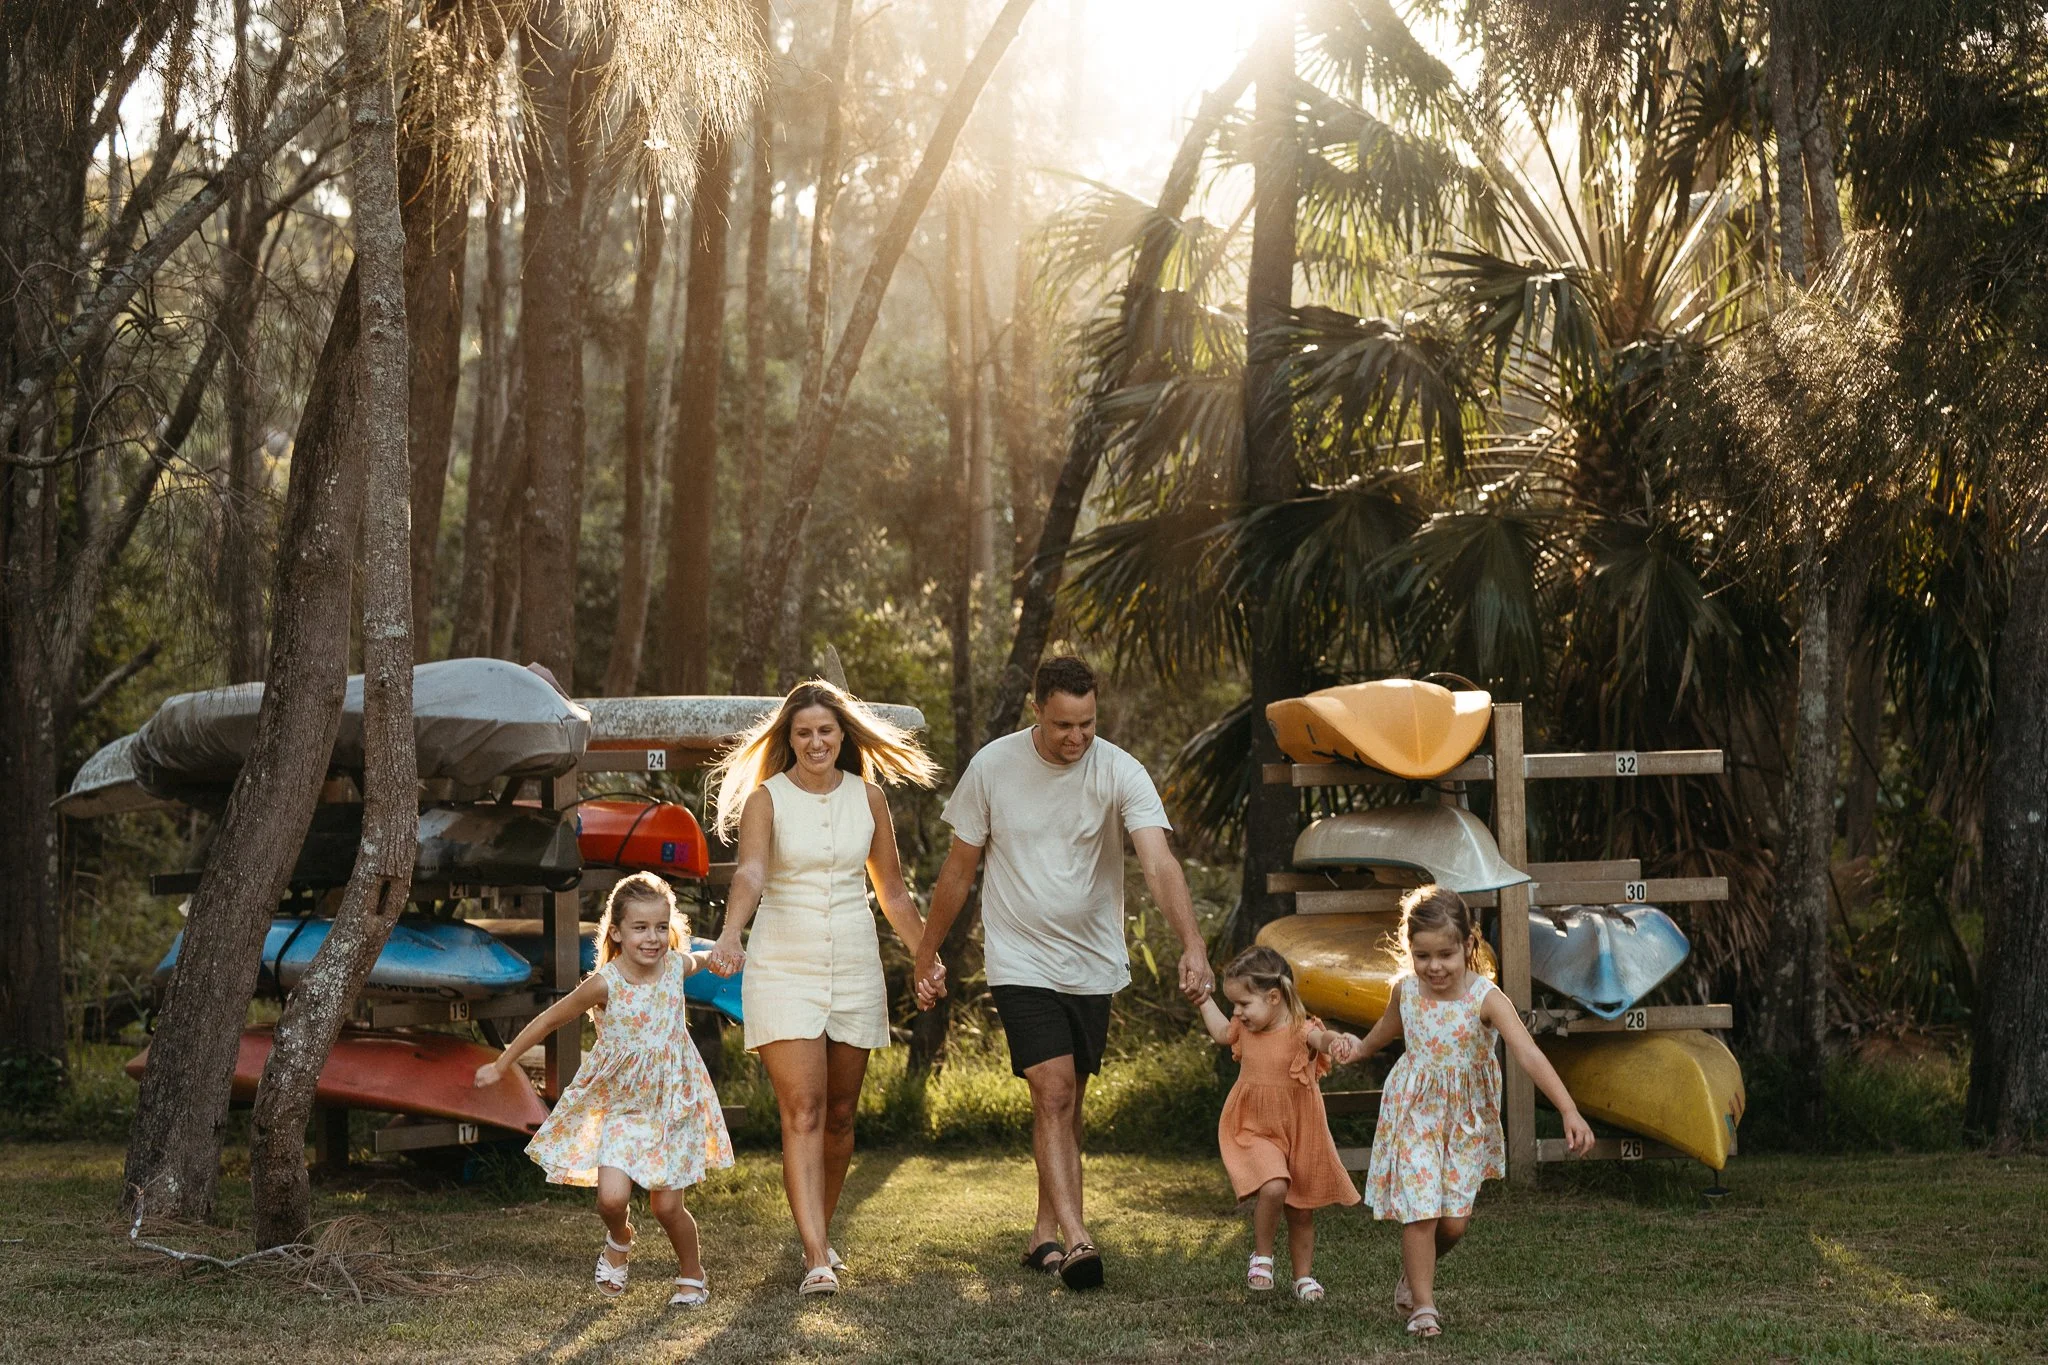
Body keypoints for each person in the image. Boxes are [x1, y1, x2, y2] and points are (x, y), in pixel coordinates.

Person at [915, 654, 1213, 1291]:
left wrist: (1193, 943)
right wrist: (927, 951)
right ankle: (1079, 1240)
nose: (1077, 737)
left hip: (1092, 960)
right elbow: (959, 870)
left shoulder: (1118, 769)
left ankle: (1043, 1232)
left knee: (1069, 1099)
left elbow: (1158, 863)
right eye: (1063, 726)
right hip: (1019, 956)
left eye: (1087, 723)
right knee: (1051, 1090)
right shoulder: (994, 767)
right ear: (1036, 709)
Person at [702, 680, 940, 1296]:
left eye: (826, 731)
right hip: (784, 963)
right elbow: (751, 871)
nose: (815, 741)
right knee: (803, 1111)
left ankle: (820, 1234)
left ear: (842, 737)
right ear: (789, 739)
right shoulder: (767, 800)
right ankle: (815, 1257)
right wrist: (730, 935)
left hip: (855, 965)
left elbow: (890, 890)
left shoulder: (870, 799)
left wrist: (926, 956)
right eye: (803, 732)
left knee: (839, 1116)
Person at [1330, 884, 1595, 1338]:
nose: (1434, 967)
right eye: (1422, 955)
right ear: (1410, 951)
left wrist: (1569, 1109)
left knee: (1453, 1223)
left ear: (1468, 946)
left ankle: (1416, 1275)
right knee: (1422, 1212)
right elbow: (1383, 1033)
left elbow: (1528, 1054)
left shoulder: (1486, 998)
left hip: (1466, 1122)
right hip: (1413, 1113)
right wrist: (1355, 1050)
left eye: (1446, 955)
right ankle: (1424, 1308)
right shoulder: (1406, 992)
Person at [473, 872, 732, 1308]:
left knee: (669, 1208)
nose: (652, 938)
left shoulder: (673, 966)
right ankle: (620, 1237)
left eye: (659, 927)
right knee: (611, 1200)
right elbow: (549, 1020)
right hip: (622, 1107)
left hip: (673, 1107)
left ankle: (692, 1274)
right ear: (616, 931)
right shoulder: (605, 983)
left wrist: (722, 955)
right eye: (640, 928)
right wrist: (502, 1063)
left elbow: (700, 958)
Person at [1196, 945, 1361, 1302]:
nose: (1237, 1013)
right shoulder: (1244, 1029)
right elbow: (1222, 1032)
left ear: (1273, 997)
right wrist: (1202, 1000)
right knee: (1273, 1186)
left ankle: (1303, 1277)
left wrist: (1340, 1043)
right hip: (1254, 1126)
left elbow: (1324, 1039)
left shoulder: (1303, 1031)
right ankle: (1263, 1257)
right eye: (1234, 1006)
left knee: (1301, 1210)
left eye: (1243, 1004)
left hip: (1301, 1130)